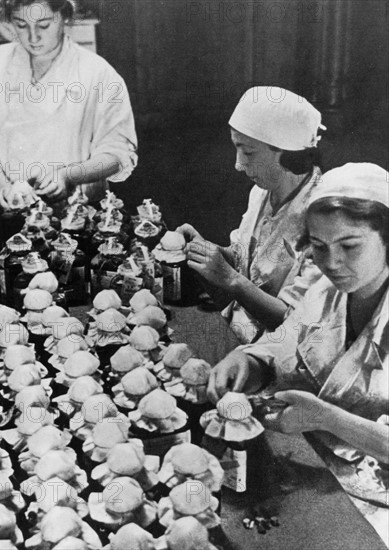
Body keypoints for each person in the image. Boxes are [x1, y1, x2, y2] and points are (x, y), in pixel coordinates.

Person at [208, 163, 389, 543]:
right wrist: (251, 360)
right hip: (315, 465)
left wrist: (328, 419)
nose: (332, 262)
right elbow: (287, 340)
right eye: (319, 248)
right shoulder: (328, 290)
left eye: (350, 246)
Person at [177, 86, 326, 344]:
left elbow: (297, 322)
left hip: (276, 354)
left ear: (287, 152)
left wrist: (231, 280)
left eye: (248, 152)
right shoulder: (261, 193)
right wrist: (205, 250)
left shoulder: (324, 216)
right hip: (236, 332)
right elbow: (245, 259)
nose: (238, 164)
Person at [0, 0, 137, 206]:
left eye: (44, 25)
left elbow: (118, 153)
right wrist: (2, 185)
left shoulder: (97, 72)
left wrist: (68, 175)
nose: (33, 37)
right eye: (21, 25)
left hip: (76, 209)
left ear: (64, 16)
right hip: (6, 206)